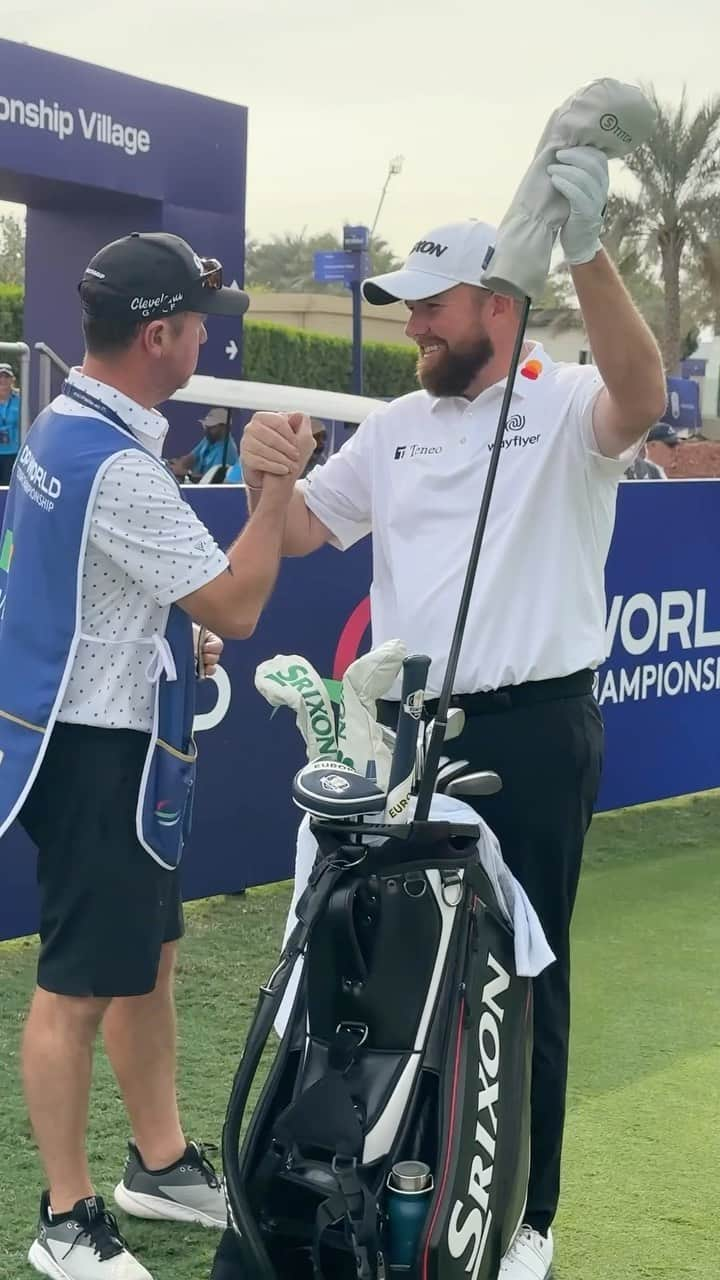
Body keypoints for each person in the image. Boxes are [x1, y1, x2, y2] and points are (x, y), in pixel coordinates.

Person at [236, 150, 667, 1280]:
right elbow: (295, 536)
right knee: (392, 955)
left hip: (534, 728)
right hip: (411, 730)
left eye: (431, 305)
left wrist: (583, 244)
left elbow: (646, 396)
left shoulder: (567, 402)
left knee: (527, 967)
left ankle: (529, 1214)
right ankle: (411, 1180)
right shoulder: (393, 427)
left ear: (497, 303)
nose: (413, 324)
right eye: (408, 307)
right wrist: (264, 473)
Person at [0, 231, 305, 1280]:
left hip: (93, 729)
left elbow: (89, 584)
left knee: (149, 956)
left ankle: (160, 1161)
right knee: (78, 986)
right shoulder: (117, 463)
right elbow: (242, 598)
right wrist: (272, 485)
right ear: (159, 334)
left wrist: (176, 630)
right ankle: (65, 1214)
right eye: (200, 318)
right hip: (100, 751)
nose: (209, 333)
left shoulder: (67, 420)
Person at [169, 406, 239, 482]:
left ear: (225, 428)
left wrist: (186, 473)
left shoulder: (226, 452)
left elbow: (213, 480)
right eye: (206, 426)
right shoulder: (210, 438)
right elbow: (191, 457)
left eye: (212, 427)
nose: (207, 430)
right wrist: (178, 464)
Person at [0, 360, 21, 484]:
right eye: (0, 376)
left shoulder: (20, 400)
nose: (3, 380)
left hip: (13, 453)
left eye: (6, 376)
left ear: (12, 380)